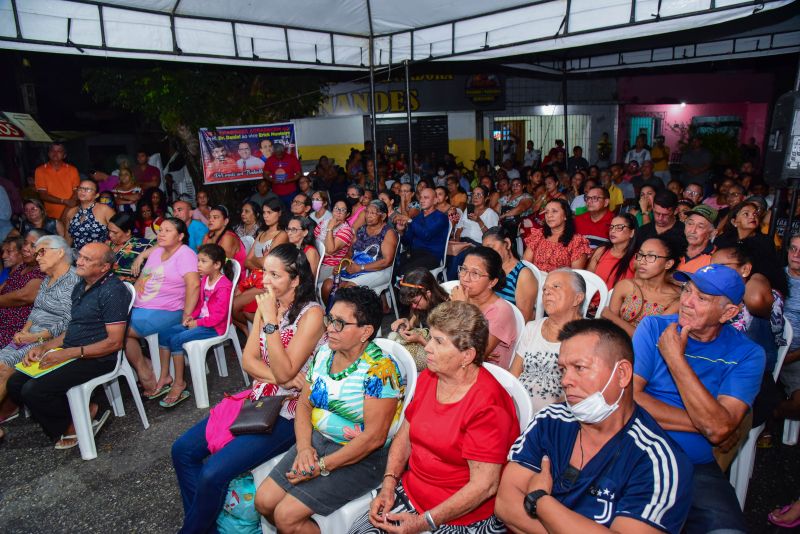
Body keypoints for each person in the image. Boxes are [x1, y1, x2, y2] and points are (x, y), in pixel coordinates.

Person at [171, 244, 324, 533]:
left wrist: (270, 326)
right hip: (259, 400)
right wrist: (281, 379)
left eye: (275, 275)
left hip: (291, 412)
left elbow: (285, 369)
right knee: (182, 451)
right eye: (264, 271)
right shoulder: (271, 303)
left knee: (212, 473)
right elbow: (248, 360)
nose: (265, 280)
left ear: (296, 280)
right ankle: (204, 526)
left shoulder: (311, 315)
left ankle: (192, 529)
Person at [497, 319, 693, 533]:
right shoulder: (550, 421)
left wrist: (540, 501)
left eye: (579, 367)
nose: (565, 380)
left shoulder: (657, 461)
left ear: (622, 374)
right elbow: (506, 505)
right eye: (563, 369)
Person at [349, 300, 519, 534]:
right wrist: (389, 484)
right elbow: (405, 434)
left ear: (467, 356)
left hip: (461, 516)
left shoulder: (489, 405)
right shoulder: (431, 377)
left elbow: (484, 486)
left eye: (438, 342)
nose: (427, 347)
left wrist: (422, 523)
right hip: (411, 492)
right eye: (430, 337)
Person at [254, 286, 402, 532]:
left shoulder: (380, 370)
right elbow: (303, 404)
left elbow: (373, 438)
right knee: (263, 502)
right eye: (330, 319)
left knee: (286, 516)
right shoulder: (325, 352)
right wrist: (304, 449)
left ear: (365, 331)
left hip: (363, 457)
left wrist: (321, 467)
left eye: (340, 324)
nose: (330, 328)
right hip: (319, 440)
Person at [632, 265, 765, 533]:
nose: (687, 302)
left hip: (693, 466)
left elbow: (719, 428)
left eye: (702, 298)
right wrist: (707, 424)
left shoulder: (748, 354)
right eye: (687, 290)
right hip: (634, 448)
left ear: (729, 313)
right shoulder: (653, 326)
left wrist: (675, 359)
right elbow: (628, 399)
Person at [6, 242, 131, 448]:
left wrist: (68, 354)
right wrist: (44, 347)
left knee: (34, 390)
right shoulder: (81, 285)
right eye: (80, 256)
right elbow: (73, 330)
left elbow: (114, 343)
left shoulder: (113, 291)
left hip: (98, 357)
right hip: (72, 349)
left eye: (87, 259)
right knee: (16, 383)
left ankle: (72, 426)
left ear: (104, 267)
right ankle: (80, 413)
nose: (79, 262)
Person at [0, 235, 80, 438]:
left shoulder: (72, 280)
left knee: (4, 367)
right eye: (36, 253)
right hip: (33, 336)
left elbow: (69, 322)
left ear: (60, 252)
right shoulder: (47, 280)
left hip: (53, 340)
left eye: (41, 252)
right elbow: (35, 311)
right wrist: (25, 331)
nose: (37, 257)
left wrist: (36, 338)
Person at [125, 218, 200, 399]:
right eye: (160, 230)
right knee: (113, 326)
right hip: (140, 307)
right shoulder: (158, 250)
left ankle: (147, 372)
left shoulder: (185, 254)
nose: (161, 233)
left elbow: (194, 285)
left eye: (168, 230)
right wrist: (141, 255)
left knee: (118, 329)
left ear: (180, 236)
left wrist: (187, 316)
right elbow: (144, 275)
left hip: (168, 311)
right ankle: (148, 368)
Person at [155, 244, 234, 408]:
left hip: (214, 327)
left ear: (217, 264)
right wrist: (192, 316)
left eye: (203, 261)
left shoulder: (223, 286)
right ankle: (164, 376)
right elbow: (200, 305)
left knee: (177, 339)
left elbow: (219, 316)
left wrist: (198, 323)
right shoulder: (205, 279)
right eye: (198, 260)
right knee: (163, 333)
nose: (198, 265)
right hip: (202, 321)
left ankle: (179, 383)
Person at [511, 269, 584, 411]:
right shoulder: (532, 328)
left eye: (556, 286)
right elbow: (514, 374)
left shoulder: (588, 337)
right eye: (544, 288)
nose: (547, 292)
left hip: (553, 419)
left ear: (577, 298)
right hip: (517, 409)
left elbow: (580, 393)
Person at [449, 247, 518, 369]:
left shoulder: (501, 311)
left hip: (487, 374)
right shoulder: (462, 296)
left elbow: (474, 356)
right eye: (464, 269)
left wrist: (462, 309)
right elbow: (446, 335)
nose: (465, 278)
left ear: (492, 282)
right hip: (457, 364)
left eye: (475, 273)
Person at [602, 236, 682, 336]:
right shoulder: (626, 286)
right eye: (640, 254)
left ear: (668, 264)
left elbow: (647, 338)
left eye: (651, 256)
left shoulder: (676, 299)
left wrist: (611, 317)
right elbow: (609, 329)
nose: (642, 261)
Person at [321, 200, 398, 302]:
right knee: (327, 285)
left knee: (348, 289)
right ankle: (332, 315)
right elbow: (350, 253)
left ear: (383, 216)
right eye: (367, 212)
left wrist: (361, 268)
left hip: (378, 270)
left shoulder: (388, 233)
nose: (368, 216)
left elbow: (387, 261)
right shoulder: (361, 229)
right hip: (356, 266)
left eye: (372, 213)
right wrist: (341, 265)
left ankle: (351, 316)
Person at [388, 269, 450, 371]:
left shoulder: (446, 311)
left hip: (440, 354)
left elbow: (445, 352)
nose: (413, 306)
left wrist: (420, 340)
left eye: (415, 302)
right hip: (428, 340)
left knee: (398, 356)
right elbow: (413, 321)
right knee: (393, 337)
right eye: (411, 303)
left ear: (428, 293)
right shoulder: (424, 301)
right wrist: (406, 323)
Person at [0, 234, 46, 348]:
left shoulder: (43, 270)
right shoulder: (22, 267)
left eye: (33, 245)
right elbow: (4, 287)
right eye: (25, 243)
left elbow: (25, 296)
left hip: (14, 329)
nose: (25, 248)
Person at [482, 226, 537, 322]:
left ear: (507, 243)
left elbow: (523, 318)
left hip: (505, 328)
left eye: (491, 248)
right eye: (485, 250)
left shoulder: (523, 275)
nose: (487, 253)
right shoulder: (491, 268)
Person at [447, 184, 499, 280]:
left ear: (486, 198)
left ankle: (451, 281)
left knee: (459, 255)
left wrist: (479, 221)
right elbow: (459, 228)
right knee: (446, 249)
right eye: (473, 194)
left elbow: (491, 236)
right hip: (463, 242)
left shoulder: (491, 213)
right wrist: (457, 241)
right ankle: (447, 277)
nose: (475, 197)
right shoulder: (468, 209)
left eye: (479, 195)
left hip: (477, 244)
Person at [523, 199, 591, 272]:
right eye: (546, 212)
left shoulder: (577, 241)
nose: (549, 215)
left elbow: (575, 275)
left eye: (554, 211)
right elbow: (526, 264)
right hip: (534, 279)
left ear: (565, 216)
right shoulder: (538, 235)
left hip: (560, 282)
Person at [395, 187, 449, 276]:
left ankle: (403, 287)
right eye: (421, 197)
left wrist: (410, 221)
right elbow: (407, 242)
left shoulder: (441, 217)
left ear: (435, 200)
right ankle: (397, 288)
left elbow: (426, 235)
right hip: (414, 253)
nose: (422, 200)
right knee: (394, 264)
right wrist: (401, 231)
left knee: (406, 271)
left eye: (426, 197)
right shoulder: (418, 217)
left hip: (431, 256)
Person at [587, 213, 637, 290]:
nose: (613, 231)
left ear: (632, 233)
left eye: (619, 227)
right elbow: (588, 280)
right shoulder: (601, 251)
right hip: (593, 301)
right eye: (611, 227)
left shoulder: (637, 259)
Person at [65, 179, 115, 251]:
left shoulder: (105, 210)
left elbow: (118, 233)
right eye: (80, 188)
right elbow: (68, 238)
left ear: (96, 195)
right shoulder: (71, 212)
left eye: (88, 189)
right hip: (79, 258)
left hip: (100, 257)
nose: (83, 191)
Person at [34, 142, 79, 220]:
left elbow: (76, 191)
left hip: (72, 214)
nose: (55, 153)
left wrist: (67, 209)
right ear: (48, 153)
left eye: (59, 151)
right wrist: (63, 201)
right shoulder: (40, 170)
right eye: (52, 150)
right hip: (51, 216)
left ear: (64, 155)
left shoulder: (72, 170)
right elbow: (43, 195)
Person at [106, 212, 153, 283]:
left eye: (115, 232)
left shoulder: (142, 245)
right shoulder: (107, 244)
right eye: (109, 230)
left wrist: (141, 255)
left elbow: (163, 245)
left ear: (128, 232)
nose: (110, 235)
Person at [318, 199, 355, 283]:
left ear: (347, 214)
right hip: (317, 261)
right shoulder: (323, 223)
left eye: (343, 210)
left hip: (331, 266)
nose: (338, 212)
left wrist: (330, 228)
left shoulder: (346, 230)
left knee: (306, 278)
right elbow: (314, 242)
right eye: (336, 208)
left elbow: (330, 250)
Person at [202, 205, 246, 275]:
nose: (210, 220)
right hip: (212, 271)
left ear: (225, 221)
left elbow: (223, 263)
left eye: (215, 217)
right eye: (209, 217)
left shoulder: (228, 237)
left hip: (233, 277)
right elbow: (202, 256)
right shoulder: (207, 236)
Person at [679, 205, 717, 273]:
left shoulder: (716, 259)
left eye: (700, 226)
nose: (692, 231)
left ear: (712, 233)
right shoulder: (672, 248)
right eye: (690, 224)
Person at [263, 142, 302, 207]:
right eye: (276, 154)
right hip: (276, 193)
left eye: (280, 154)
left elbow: (299, 174)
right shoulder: (270, 160)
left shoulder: (292, 158)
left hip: (291, 192)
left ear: (283, 151)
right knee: (278, 212)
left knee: (293, 210)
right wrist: (272, 180)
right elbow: (265, 174)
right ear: (274, 152)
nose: (278, 157)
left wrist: (288, 180)